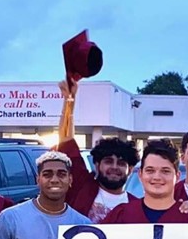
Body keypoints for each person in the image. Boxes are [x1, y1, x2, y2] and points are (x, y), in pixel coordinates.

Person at [55, 78, 139, 222]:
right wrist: (69, 101)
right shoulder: (81, 186)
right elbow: (66, 140)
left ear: (130, 169)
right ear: (97, 165)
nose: (114, 167)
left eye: (121, 163)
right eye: (108, 161)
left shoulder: (137, 206)